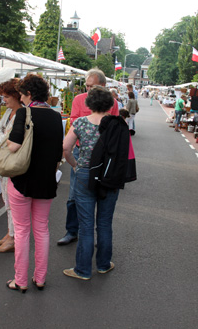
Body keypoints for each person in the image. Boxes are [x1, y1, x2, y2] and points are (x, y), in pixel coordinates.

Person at [5, 74, 63, 292]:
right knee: (42, 229)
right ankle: (40, 278)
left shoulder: (24, 113)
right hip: (46, 181)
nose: (20, 97)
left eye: (21, 93)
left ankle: (20, 280)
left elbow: (13, 146)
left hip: (22, 179)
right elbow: (58, 152)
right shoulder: (56, 117)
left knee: (21, 230)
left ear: (29, 93)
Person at [62, 86, 124, 280]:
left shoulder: (80, 123)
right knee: (105, 223)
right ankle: (104, 264)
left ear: (88, 104)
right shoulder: (117, 124)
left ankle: (83, 269)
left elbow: (65, 148)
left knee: (86, 225)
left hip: (85, 175)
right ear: (110, 104)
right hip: (109, 177)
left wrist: (75, 165)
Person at [57, 69, 120, 246]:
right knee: (73, 195)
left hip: (103, 154)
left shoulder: (112, 102)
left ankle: (101, 236)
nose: (89, 89)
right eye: (87, 86)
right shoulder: (79, 99)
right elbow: (74, 119)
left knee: (101, 193)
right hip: (80, 150)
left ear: (103, 85)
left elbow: (113, 125)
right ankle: (72, 231)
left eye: (93, 86)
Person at [0, 78, 23, 253]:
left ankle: (13, 237)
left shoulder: (21, 115)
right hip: (5, 159)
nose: (4, 100)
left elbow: (11, 140)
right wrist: (5, 139)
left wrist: (3, 139)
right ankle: (10, 233)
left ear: (16, 96)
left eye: (6, 97)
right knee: (6, 199)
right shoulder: (9, 113)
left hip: (11, 162)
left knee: (11, 201)